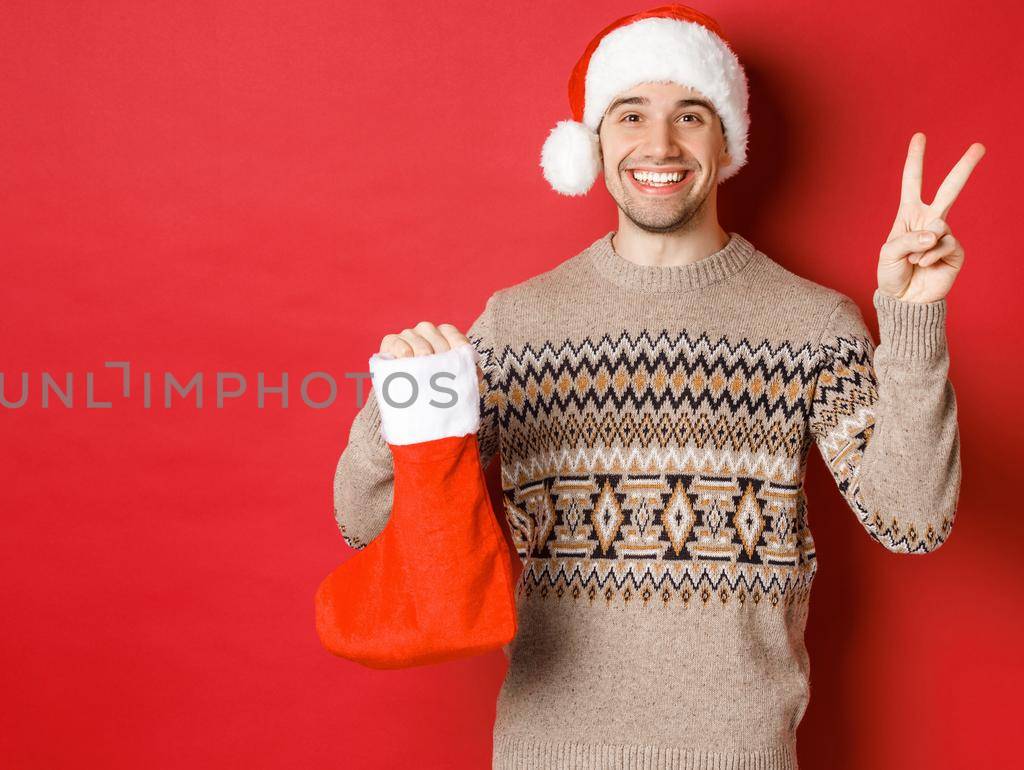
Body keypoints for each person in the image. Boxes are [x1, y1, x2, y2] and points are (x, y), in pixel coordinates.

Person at [330, 4, 982, 768]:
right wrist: (401, 402)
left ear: (726, 139)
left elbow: (913, 520)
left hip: (737, 752)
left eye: (690, 115)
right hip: (549, 752)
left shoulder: (809, 323)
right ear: (594, 143)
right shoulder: (520, 323)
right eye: (631, 113)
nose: (660, 144)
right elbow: (364, 522)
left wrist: (911, 319)